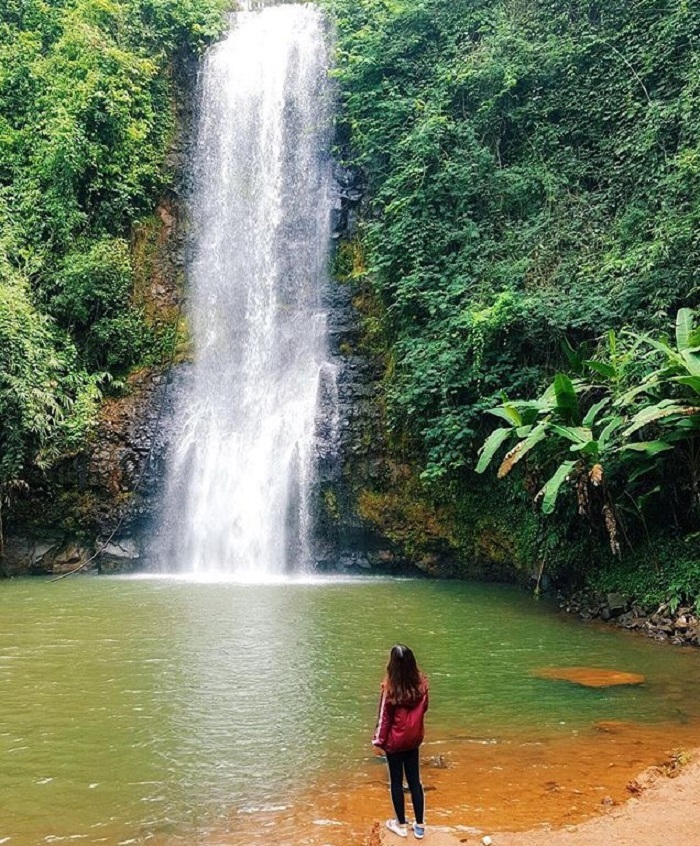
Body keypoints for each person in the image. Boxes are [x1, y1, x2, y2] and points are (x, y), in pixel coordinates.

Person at [372, 644, 429, 839]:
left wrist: (378, 741)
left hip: (395, 742)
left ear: (392, 666)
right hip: (413, 740)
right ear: (413, 663)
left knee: (396, 782)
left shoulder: (390, 689)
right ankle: (420, 826)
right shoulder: (421, 685)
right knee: (415, 781)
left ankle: (401, 825)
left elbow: (384, 718)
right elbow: (425, 708)